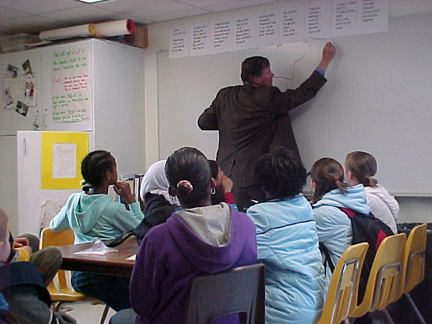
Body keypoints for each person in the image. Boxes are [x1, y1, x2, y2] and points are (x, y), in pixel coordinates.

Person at [110, 147, 257, 324]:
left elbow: (142, 304)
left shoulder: (158, 239)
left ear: (172, 191)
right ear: (212, 184)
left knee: (119, 319)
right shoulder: (246, 225)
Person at [198, 42, 336, 211]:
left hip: (224, 173)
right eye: (268, 72)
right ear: (257, 79)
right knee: (254, 224)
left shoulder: (225, 95)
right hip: (252, 178)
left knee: (229, 223)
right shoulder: (268, 98)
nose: (272, 75)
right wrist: (325, 61)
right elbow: (304, 92)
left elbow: (203, 122)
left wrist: (230, 123)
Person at [50, 150, 144, 311]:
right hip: (106, 275)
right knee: (140, 304)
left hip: (77, 275)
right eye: (115, 170)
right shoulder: (112, 208)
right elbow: (143, 229)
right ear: (108, 175)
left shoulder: (73, 200)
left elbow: (55, 226)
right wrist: (131, 199)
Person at [246, 147, 325, 324]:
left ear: (264, 184)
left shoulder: (259, 215)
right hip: (320, 302)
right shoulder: (305, 206)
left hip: (287, 311)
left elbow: (242, 257)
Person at [0, 209, 75, 324]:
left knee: (31, 240)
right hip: (18, 298)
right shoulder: (12, 293)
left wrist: (11, 246)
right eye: (7, 238)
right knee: (52, 254)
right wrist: (20, 256)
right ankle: (34, 297)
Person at [310, 158, 370, 279]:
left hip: (336, 288)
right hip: (352, 280)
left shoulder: (323, 214)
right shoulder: (353, 202)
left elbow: (301, 242)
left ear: (314, 184)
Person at [344, 151, 399, 234]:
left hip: (380, 244)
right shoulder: (378, 190)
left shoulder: (363, 198)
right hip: (389, 243)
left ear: (349, 174)